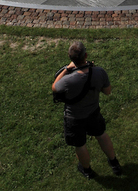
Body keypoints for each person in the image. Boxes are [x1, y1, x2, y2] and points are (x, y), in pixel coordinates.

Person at [52, 41, 122, 179]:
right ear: (86, 55)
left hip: (74, 118)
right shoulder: (99, 72)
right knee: (101, 135)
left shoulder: (68, 80)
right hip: (93, 112)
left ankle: (87, 170)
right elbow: (107, 92)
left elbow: (55, 87)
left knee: (80, 144)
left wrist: (67, 68)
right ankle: (114, 163)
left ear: (71, 58)